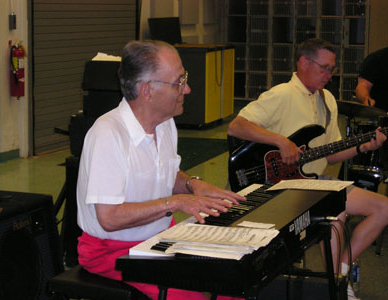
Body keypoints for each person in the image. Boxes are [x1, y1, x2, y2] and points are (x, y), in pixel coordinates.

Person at [76, 40, 246, 300]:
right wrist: (175, 202)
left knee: (231, 281)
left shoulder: (165, 124)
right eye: (179, 82)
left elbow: (163, 174)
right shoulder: (108, 133)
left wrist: (193, 185)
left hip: (159, 237)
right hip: (111, 251)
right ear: (147, 91)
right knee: (193, 296)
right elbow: (109, 219)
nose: (187, 89)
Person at [227, 38, 388, 300]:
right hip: (280, 185)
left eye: (331, 69)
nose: (329, 75)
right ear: (303, 63)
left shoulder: (328, 101)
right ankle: (336, 286)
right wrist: (281, 141)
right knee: (337, 212)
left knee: (383, 207)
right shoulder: (281, 95)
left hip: (312, 181)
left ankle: (340, 274)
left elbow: (333, 155)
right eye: (324, 68)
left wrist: (364, 147)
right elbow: (236, 126)